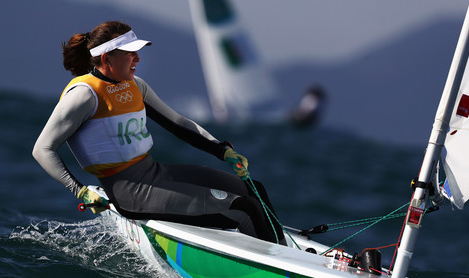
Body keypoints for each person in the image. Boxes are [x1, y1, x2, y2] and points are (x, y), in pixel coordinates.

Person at [33, 20, 285, 245]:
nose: (138, 59)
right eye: (131, 53)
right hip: (130, 193)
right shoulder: (83, 95)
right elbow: (42, 149)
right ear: (107, 58)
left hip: (156, 173)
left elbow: (178, 123)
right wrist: (79, 190)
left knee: (254, 190)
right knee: (244, 209)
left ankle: (285, 253)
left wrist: (223, 151)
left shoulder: (136, 86)